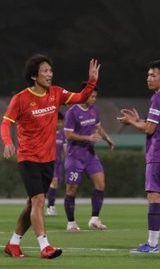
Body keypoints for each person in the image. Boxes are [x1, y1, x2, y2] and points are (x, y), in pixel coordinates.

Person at [0, 53, 100, 259]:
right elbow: (5, 123)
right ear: (34, 76)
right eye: (45, 71)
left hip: (48, 159)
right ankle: (45, 246)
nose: (49, 74)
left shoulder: (56, 93)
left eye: (50, 70)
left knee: (32, 204)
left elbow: (80, 97)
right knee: (38, 200)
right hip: (28, 158)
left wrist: (91, 81)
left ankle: (13, 243)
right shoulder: (20, 99)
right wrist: (8, 142)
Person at [117, 59, 160, 253]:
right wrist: (140, 120)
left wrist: (133, 122)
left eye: (152, 75)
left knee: (154, 196)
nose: (148, 78)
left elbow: (150, 129)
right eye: (148, 74)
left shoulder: (158, 97)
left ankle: (153, 244)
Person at [63, 82, 115, 231]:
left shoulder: (94, 110)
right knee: (71, 189)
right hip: (74, 157)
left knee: (100, 184)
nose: (93, 99)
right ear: (84, 94)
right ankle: (71, 223)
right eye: (91, 96)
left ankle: (95, 219)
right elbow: (68, 134)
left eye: (95, 96)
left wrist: (107, 139)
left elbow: (98, 127)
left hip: (90, 156)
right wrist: (88, 138)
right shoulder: (72, 112)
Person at [46, 112, 66, 216]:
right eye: (57, 121)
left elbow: (65, 150)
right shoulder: (47, 133)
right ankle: (50, 207)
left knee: (55, 184)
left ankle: (49, 204)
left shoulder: (62, 135)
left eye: (61, 122)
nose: (59, 124)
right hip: (49, 162)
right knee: (53, 182)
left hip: (58, 163)